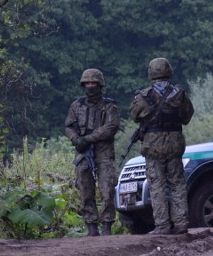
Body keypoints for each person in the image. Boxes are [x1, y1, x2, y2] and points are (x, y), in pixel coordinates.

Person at [129, 57, 194, 235]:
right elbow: (187, 117)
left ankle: (163, 225)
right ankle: (181, 223)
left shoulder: (144, 96)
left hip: (153, 145)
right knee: (177, 183)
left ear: (151, 73)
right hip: (174, 144)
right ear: (169, 71)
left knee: (156, 184)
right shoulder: (179, 95)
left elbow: (134, 116)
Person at [64, 68, 120, 236]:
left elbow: (111, 127)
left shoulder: (109, 105)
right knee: (84, 188)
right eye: (87, 83)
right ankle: (91, 226)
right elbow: (68, 125)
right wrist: (75, 139)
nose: (90, 86)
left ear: (99, 84)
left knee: (107, 188)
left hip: (103, 151)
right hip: (83, 151)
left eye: (93, 83)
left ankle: (107, 225)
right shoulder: (76, 105)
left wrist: (88, 139)